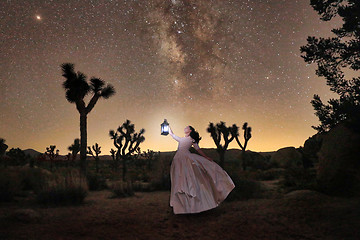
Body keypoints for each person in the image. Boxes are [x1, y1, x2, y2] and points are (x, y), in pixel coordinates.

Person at [168, 125, 235, 214]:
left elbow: (198, 149)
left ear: (190, 130)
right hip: (178, 159)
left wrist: (206, 157)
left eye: (187, 127)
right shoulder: (181, 139)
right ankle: (183, 205)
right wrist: (167, 125)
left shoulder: (192, 139)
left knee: (188, 179)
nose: (185, 128)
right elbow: (172, 134)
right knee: (180, 179)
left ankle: (194, 203)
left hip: (186, 159)